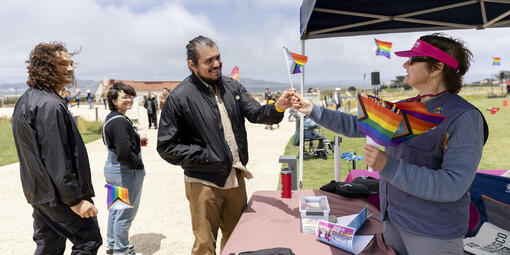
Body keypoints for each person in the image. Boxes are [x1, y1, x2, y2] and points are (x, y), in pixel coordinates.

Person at [291, 33, 488, 255]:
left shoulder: (464, 117)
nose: (405, 64)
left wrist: (388, 165)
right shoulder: (406, 107)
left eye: (413, 60)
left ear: (436, 67)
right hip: (394, 223)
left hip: (432, 232)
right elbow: (356, 125)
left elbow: (452, 185)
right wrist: (312, 110)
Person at [157, 35, 293, 255]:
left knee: (237, 240)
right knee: (204, 246)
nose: (217, 64)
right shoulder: (179, 97)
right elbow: (166, 146)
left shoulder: (232, 86)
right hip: (202, 183)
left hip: (235, 179)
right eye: (209, 61)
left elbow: (257, 114)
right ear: (192, 65)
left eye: (218, 57)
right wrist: (207, 156)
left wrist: (277, 107)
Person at [11, 42, 102, 254]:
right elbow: (57, 158)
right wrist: (76, 200)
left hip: (40, 192)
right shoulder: (49, 104)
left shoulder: (27, 100)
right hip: (57, 195)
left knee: (49, 245)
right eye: (63, 64)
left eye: (71, 64)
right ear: (45, 66)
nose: (71, 68)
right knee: (88, 240)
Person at [103, 82, 145, 255]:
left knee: (116, 209)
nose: (129, 100)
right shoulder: (120, 122)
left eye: (130, 96)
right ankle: (122, 250)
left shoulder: (111, 118)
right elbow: (124, 153)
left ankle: (113, 245)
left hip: (113, 169)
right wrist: (139, 165)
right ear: (114, 100)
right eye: (124, 97)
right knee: (125, 214)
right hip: (124, 171)